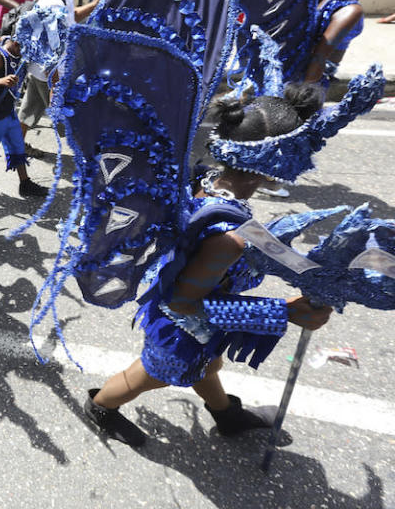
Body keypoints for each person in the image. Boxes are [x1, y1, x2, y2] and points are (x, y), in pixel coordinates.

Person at [84, 89, 332, 446]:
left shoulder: (204, 180)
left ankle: (226, 415)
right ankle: (100, 406)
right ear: (273, 162)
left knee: (208, 363)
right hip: (179, 322)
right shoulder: (228, 238)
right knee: (151, 374)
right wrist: (282, 312)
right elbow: (185, 304)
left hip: (193, 304)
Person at [18, 0, 107, 151]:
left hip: (39, 72)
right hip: (51, 74)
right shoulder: (53, 2)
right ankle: (89, 165)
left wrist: (96, 4)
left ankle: (17, 148)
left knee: (28, 112)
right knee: (71, 122)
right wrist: (57, 87)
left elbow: (72, 16)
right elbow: (50, 50)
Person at [0, 10, 48, 199]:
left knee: (17, 147)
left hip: (9, 112)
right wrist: (0, 81)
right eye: (24, 44)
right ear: (15, 40)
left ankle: (25, 183)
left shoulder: (22, 53)